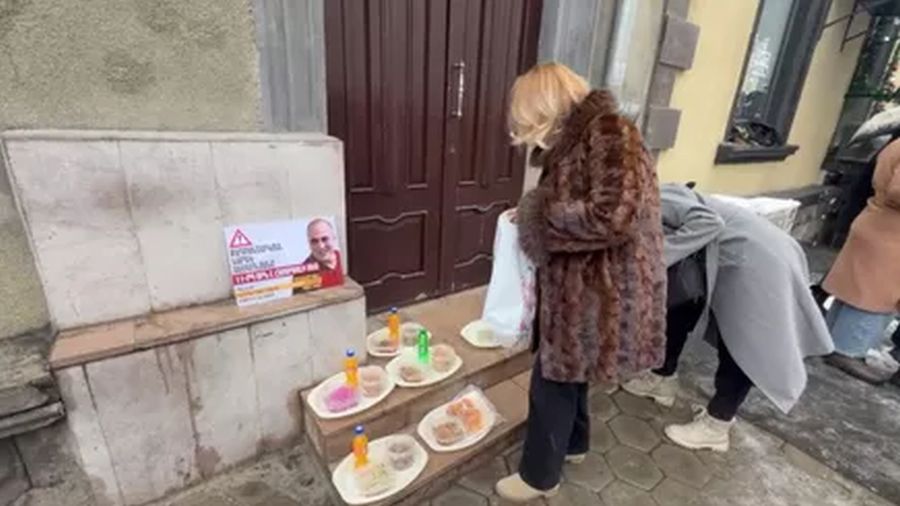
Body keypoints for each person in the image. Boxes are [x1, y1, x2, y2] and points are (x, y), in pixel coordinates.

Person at [494, 62, 666, 502]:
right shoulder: (582, 138)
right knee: (571, 371)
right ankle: (574, 444)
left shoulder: (609, 131)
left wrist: (538, 218)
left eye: (527, 114)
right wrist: (533, 215)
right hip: (587, 285)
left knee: (551, 377)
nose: (526, 128)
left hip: (599, 288)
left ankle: (538, 477)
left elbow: (614, 216)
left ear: (544, 105)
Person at [623, 183, 833, 452]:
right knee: (678, 307)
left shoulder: (649, 197)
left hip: (758, 262)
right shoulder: (636, 198)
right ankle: (661, 378)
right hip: (733, 256)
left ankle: (717, 424)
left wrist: (651, 259)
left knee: (744, 343)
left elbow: (708, 222)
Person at [822, 137, 900, 385]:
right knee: (873, 293)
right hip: (889, 232)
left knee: (854, 289)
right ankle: (848, 349)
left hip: (877, 222)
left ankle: (829, 340)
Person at [293, 218, 343, 293]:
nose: (320, 246)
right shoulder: (303, 274)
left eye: (324, 239)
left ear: (334, 238)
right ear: (309, 244)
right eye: (314, 241)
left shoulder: (344, 258)